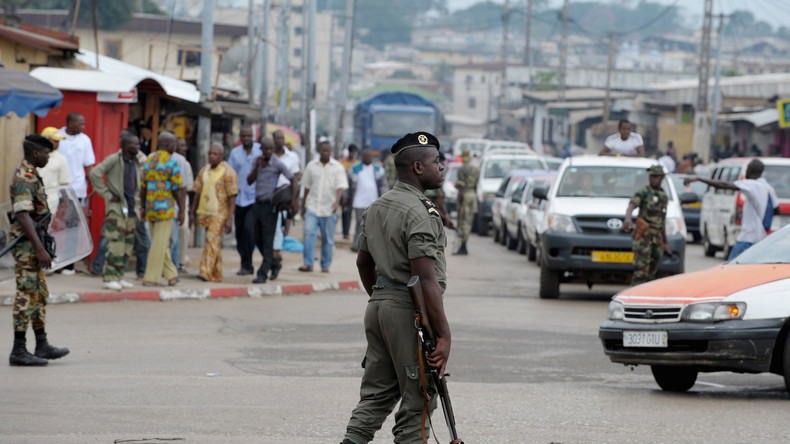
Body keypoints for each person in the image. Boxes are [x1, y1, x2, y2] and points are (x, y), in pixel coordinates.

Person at [340, 132, 450, 444]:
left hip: (379, 306)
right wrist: (443, 336)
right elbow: (425, 278)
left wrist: (381, 296)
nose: (441, 167)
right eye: (436, 161)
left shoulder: (378, 206)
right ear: (418, 167)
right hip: (409, 310)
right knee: (420, 398)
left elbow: (364, 263)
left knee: (376, 394)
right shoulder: (421, 211)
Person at [8, 134, 70, 366]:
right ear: (36, 153)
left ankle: (41, 344)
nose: (48, 157)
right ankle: (18, 350)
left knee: (39, 294)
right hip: (27, 247)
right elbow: (23, 215)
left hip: (34, 244)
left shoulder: (33, 173)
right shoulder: (24, 177)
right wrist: (39, 249)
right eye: (46, 153)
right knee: (26, 294)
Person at [685, 159, 778, 259]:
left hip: (746, 240)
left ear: (750, 171)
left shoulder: (752, 184)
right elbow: (777, 209)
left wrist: (699, 179)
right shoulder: (768, 188)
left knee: (730, 270)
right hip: (760, 239)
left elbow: (724, 185)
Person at [88, 131, 142, 291]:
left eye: (138, 144)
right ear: (126, 146)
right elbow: (94, 173)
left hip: (132, 209)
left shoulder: (135, 161)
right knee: (115, 245)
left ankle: (119, 276)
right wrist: (106, 193)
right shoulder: (114, 159)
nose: (138, 147)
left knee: (126, 246)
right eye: (135, 144)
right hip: (116, 209)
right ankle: (109, 278)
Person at [247, 137, 299, 284]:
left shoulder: (277, 163)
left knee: (268, 240)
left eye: (271, 148)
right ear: (261, 149)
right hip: (257, 204)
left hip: (270, 207)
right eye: (266, 149)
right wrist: (257, 167)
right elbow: (249, 181)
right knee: (257, 238)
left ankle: (262, 273)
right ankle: (274, 263)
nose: (268, 151)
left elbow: (293, 180)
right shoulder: (257, 162)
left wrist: (293, 200)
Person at [140, 132, 185, 286]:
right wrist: (182, 210)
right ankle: (150, 277)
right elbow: (178, 189)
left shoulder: (149, 160)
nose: (175, 146)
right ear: (168, 145)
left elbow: (143, 187)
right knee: (158, 245)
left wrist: (143, 207)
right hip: (165, 210)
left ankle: (171, 275)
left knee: (160, 243)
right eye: (174, 144)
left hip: (151, 207)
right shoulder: (172, 163)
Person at [190, 143, 238, 282]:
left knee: (211, 240)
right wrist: (192, 212)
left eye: (215, 154)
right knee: (214, 242)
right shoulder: (204, 171)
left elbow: (232, 196)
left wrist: (230, 218)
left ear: (221, 156)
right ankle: (216, 274)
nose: (212, 156)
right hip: (205, 211)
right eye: (210, 153)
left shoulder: (228, 172)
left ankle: (205, 270)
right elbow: (197, 192)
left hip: (220, 212)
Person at [300, 140, 349, 273]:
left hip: (329, 208)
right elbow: (306, 186)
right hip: (312, 206)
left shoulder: (338, 167)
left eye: (328, 150)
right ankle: (308, 263)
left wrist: (336, 202)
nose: (325, 153)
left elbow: (341, 187)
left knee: (328, 238)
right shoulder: (311, 166)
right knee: (309, 234)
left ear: (330, 151)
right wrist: (303, 205)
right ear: (319, 151)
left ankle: (325, 265)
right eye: (323, 150)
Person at [57, 112, 96, 274]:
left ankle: (69, 265)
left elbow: (89, 164)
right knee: (54, 225)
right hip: (56, 189)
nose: (83, 127)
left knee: (71, 225)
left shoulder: (85, 140)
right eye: (80, 124)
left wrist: (92, 182)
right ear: (70, 123)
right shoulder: (58, 136)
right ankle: (55, 260)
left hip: (76, 189)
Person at [623, 165, 670, 285]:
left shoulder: (663, 196)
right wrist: (628, 218)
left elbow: (662, 220)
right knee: (641, 272)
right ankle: (632, 298)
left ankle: (645, 299)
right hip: (644, 237)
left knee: (652, 273)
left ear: (662, 178)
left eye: (657, 177)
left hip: (657, 237)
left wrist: (665, 242)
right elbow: (632, 205)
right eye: (652, 176)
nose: (654, 179)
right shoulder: (644, 192)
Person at [228, 125, 262, 275]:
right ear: (240, 137)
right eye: (244, 136)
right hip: (239, 198)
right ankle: (244, 262)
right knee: (240, 233)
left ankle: (249, 262)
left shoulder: (260, 150)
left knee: (249, 230)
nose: (246, 139)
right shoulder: (235, 153)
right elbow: (230, 174)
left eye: (249, 136)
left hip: (254, 198)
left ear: (253, 136)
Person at [272, 129, 302, 276]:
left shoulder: (292, 157)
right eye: (277, 138)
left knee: (280, 228)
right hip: (268, 199)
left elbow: (295, 179)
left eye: (282, 138)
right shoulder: (268, 157)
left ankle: (275, 258)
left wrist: (295, 200)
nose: (280, 140)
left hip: (284, 199)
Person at [348, 147, 389, 251]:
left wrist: (385, 198)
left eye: (369, 156)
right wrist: (346, 199)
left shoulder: (378, 169)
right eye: (365, 156)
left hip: (373, 202)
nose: (368, 158)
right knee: (359, 224)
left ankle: (371, 246)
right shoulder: (354, 169)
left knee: (373, 225)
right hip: (358, 202)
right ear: (362, 157)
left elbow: (384, 185)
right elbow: (348, 185)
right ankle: (356, 245)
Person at [168, 139, 193, 271]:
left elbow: (185, 188)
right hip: (166, 202)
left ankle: (180, 262)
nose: (183, 148)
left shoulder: (184, 163)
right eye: (180, 145)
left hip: (182, 200)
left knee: (183, 229)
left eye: (185, 145)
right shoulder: (160, 159)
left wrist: (183, 209)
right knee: (170, 236)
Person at [36, 127, 70, 214]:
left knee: (46, 225)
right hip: (33, 197)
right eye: (55, 140)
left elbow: (64, 184)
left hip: (51, 199)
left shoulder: (60, 159)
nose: (57, 144)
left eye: (58, 141)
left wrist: (67, 205)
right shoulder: (34, 155)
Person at [454, 148, 478, 255]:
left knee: (463, 220)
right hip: (472, 194)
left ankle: (463, 245)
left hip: (464, 194)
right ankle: (464, 244)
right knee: (469, 220)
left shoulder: (462, 169)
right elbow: (477, 183)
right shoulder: (475, 169)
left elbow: (460, 186)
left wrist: (460, 196)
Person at [339, 144, 359, 240]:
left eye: (354, 152)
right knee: (344, 211)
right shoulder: (341, 162)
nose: (353, 154)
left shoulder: (357, 164)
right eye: (351, 152)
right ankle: (344, 232)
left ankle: (346, 232)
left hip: (352, 191)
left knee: (349, 212)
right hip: (342, 189)